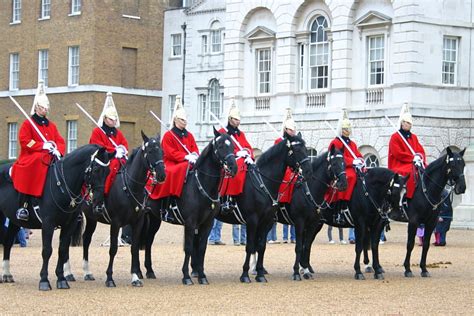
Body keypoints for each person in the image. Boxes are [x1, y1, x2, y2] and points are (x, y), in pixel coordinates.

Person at [11, 80, 65, 221]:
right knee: (36, 162)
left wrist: (57, 149)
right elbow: (25, 140)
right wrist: (42, 146)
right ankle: (23, 205)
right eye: (42, 108)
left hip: (50, 155)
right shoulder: (28, 124)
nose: (44, 110)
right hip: (31, 155)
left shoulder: (51, 126)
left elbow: (60, 140)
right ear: (36, 107)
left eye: (46, 108)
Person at [149, 96, 199, 221]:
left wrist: (194, 155)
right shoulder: (168, 135)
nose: (185, 122)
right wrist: (185, 156)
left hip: (188, 162)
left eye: (185, 120)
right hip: (171, 162)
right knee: (175, 171)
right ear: (176, 120)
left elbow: (195, 148)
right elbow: (169, 152)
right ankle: (169, 204)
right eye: (182, 120)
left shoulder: (190, 135)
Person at [326, 109, 364, 224]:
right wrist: (353, 161)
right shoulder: (336, 143)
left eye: (348, 129)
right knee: (349, 177)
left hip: (353, 168)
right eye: (345, 129)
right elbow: (337, 159)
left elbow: (358, 155)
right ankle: (342, 206)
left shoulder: (352, 143)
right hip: (341, 169)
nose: (348, 131)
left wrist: (361, 160)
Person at [89, 92, 129, 197]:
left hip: (119, 158)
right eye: (111, 119)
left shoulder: (118, 133)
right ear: (105, 118)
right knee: (113, 166)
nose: (113, 121)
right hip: (103, 161)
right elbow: (98, 147)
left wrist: (123, 149)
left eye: (115, 119)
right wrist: (114, 152)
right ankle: (105, 192)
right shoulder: (97, 132)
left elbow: (124, 143)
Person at [219, 99, 254, 212]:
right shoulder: (222, 132)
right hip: (228, 160)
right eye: (235, 119)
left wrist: (248, 154)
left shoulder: (240, 134)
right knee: (237, 167)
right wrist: (236, 153)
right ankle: (230, 198)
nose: (238, 122)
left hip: (242, 159)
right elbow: (221, 149)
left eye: (239, 120)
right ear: (230, 119)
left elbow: (247, 146)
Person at [388, 103, 426, 203]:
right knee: (411, 172)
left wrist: (420, 157)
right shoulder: (395, 137)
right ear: (402, 123)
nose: (408, 125)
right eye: (406, 123)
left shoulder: (414, 137)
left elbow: (420, 150)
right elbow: (397, 153)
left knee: (427, 169)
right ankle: (408, 197)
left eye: (409, 123)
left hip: (413, 163)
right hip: (400, 165)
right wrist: (412, 158)